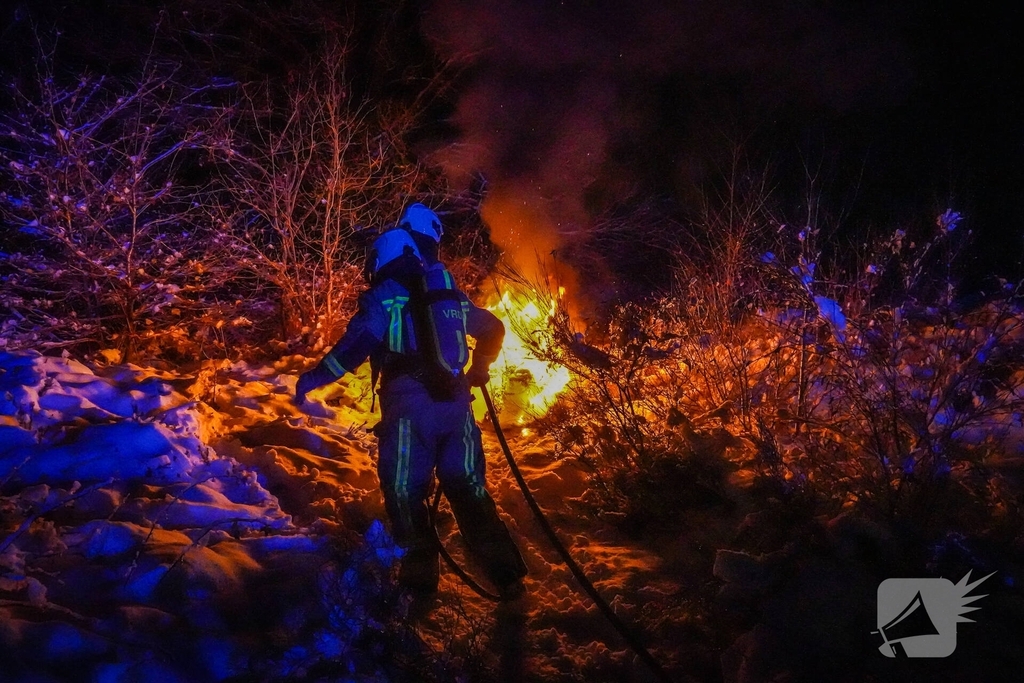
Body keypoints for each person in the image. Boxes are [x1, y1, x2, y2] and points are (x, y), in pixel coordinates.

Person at [295, 205, 527, 599]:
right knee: (468, 487)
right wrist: (479, 370)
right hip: (457, 409)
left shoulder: (384, 295)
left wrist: (314, 378)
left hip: (409, 412)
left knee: (405, 490)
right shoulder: (446, 289)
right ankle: (507, 575)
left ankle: (419, 583)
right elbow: (493, 328)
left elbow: (353, 348)